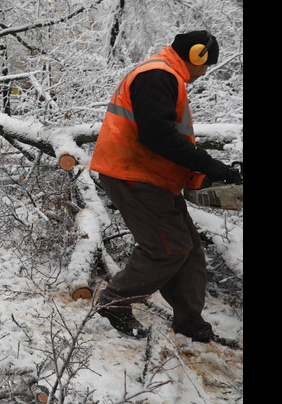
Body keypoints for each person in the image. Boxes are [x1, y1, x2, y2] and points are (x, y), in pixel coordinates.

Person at [89, 30, 242, 342]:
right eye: (206, 64)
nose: (205, 72)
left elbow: (169, 140)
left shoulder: (166, 76)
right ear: (197, 55)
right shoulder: (157, 76)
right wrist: (209, 164)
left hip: (152, 176)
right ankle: (113, 303)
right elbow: (157, 136)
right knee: (167, 248)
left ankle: (189, 323)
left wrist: (199, 175)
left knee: (189, 250)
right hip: (133, 174)